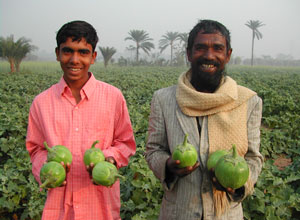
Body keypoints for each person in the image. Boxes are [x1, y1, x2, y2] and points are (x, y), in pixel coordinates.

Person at [145, 19, 263, 220]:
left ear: (228, 55)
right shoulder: (163, 99)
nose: (209, 55)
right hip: (178, 213)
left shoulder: (247, 101)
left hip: (226, 214)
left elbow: (253, 158)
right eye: (200, 48)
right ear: (189, 53)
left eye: (218, 48)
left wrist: (237, 181)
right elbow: (153, 150)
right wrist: (168, 166)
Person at [26, 20, 136, 220]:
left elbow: (125, 143)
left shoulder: (113, 97)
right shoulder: (41, 103)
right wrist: (47, 166)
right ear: (57, 53)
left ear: (93, 57)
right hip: (59, 210)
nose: (74, 59)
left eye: (83, 52)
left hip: (101, 208)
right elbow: (35, 149)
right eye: (67, 51)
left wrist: (108, 159)